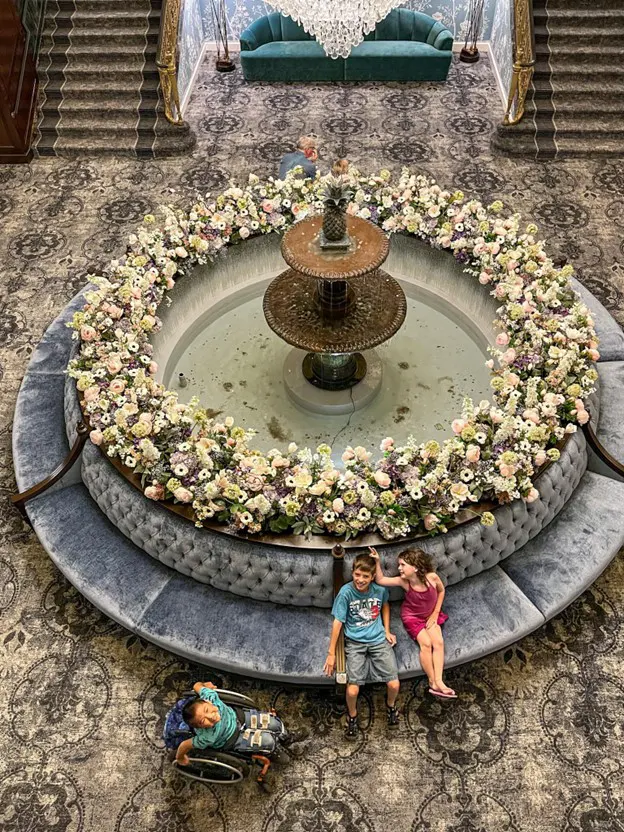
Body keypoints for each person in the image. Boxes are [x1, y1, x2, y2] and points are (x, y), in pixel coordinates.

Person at [324, 552, 400, 738]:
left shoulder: (379, 590)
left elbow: (385, 605)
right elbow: (337, 622)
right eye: (357, 575)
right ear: (352, 572)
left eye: (365, 576)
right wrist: (331, 653)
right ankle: (352, 716)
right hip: (355, 643)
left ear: (372, 577)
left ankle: (390, 706)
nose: (360, 579)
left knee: (394, 683)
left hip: (378, 640)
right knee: (352, 690)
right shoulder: (346, 593)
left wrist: (387, 630)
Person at [370, 547, 456, 699]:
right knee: (426, 644)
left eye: (403, 565)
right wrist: (377, 561)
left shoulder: (432, 578)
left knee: (438, 642)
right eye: (399, 564)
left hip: (430, 615)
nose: (399, 568)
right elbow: (381, 580)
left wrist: (435, 613)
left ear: (415, 567)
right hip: (412, 618)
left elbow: (441, 591)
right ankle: (432, 682)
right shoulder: (404, 582)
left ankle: (439, 680)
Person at [174, 681, 307, 765]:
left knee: (273, 723)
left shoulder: (210, 697)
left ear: (207, 702)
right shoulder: (206, 737)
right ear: (200, 727)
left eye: (207, 710)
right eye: (204, 721)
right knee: (267, 740)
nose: (211, 716)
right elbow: (185, 745)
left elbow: (196, 686)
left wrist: (203, 684)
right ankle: (273, 751)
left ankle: (286, 737)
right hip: (234, 738)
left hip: (239, 717)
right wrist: (180, 757)